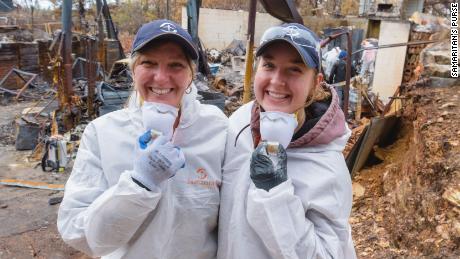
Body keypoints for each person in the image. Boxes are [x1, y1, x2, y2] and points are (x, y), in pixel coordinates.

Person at [57, 19, 227, 258]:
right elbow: (77, 231)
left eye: (176, 65)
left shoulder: (216, 129)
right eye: (149, 63)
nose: (161, 77)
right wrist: (140, 184)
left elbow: (231, 223)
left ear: (191, 76)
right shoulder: (102, 133)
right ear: (133, 70)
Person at [218, 23, 356, 258]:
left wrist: (275, 191)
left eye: (294, 69)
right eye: (269, 65)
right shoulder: (238, 123)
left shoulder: (328, 168)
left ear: (315, 82)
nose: (277, 81)